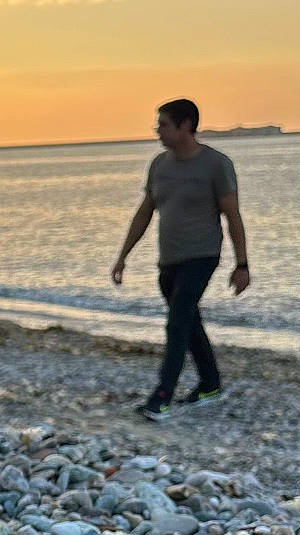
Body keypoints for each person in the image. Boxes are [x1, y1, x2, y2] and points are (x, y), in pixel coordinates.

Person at [111, 98, 250, 421]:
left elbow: (233, 216)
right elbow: (145, 211)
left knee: (177, 324)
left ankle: (161, 396)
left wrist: (242, 265)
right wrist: (122, 257)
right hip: (168, 259)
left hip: (202, 255)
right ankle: (210, 384)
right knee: (189, 321)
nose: (157, 131)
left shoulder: (216, 164)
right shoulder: (160, 165)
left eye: (163, 125)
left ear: (186, 125)